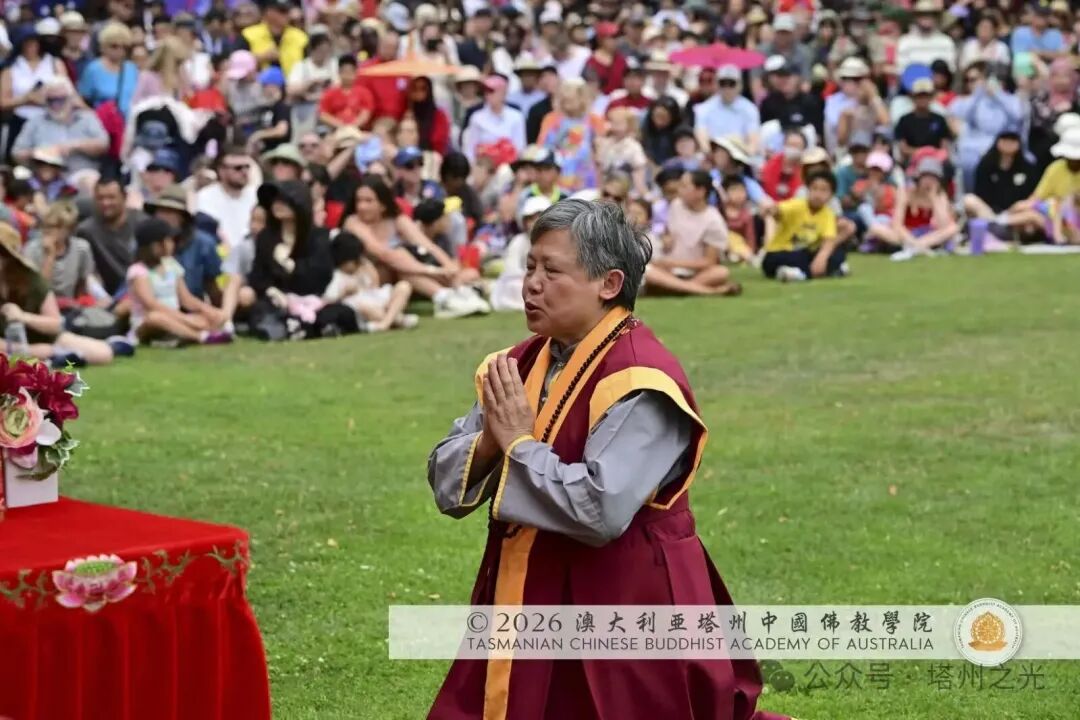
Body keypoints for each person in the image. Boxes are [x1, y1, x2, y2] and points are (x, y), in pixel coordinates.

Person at [426, 198, 792, 720]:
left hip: (625, 600)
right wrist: (490, 441)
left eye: (552, 271)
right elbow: (446, 476)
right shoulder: (518, 364)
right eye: (530, 266)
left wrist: (518, 445)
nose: (531, 284)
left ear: (609, 283)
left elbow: (599, 507)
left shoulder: (642, 379)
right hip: (525, 588)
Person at [340, 176, 488, 319]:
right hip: (372, 278)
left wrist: (449, 268)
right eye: (359, 201)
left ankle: (452, 294)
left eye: (368, 201)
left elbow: (427, 245)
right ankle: (449, 296)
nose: (361, 206)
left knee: (468, 273)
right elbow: (383, 254)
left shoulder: (398, 220)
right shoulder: (353, 222)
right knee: (399, 256)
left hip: (407, 276)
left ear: (383, 205)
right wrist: (432, 270)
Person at [0, 222, 113, 366]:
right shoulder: (34, 249)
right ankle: (49, 357)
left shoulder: (32, 280)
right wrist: (32, 351)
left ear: (9, 258)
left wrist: (23, 317)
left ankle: (54, 356)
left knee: (103, 354)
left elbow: (55, 324)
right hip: (12, 346)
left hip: (44, 338)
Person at [125, 217, 231, 346]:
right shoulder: (138, 271)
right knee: (156, 318)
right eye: (169, 240)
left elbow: (186, 299)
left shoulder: (171, 265)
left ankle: (176, 336)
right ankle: (200, 336)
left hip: (176, 317)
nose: (172, 244)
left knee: (209, 318)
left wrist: (208, 310)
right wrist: (183, 318)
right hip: (149, 320)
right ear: (156, 245)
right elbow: (151, 305)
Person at [646, 170, 741, 296]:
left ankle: (673, 287)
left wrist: (672, 263)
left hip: (694, 273)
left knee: (721, 272)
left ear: (700, 191)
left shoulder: (714, 221)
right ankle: (707, 291)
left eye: (684, 186)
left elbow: (709, 262)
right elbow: (668, 232)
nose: (679, 190)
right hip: (668, 270)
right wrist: (666, 239)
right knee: (646, 269)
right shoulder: (676, 205)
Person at [1, 19, 69, 160]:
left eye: (34, 42)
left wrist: (47, 99)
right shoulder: (12, 68)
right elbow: (2, 102)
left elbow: (68, 93)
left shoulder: (54, 63)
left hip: (50, 120)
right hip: (20, 121)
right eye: (26, 43)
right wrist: (26, 99)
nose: (31, 46)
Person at [323, 231, 417, 332]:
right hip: (361, 306)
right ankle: (397, 319)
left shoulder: (362, 268)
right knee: (368, 309)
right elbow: (327, 300)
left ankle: (386, 323)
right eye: (354, 261)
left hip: (377, 299)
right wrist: (344, 293)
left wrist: (367, 267)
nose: (357, 263)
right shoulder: (337, 276)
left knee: (404, 286)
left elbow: (375, 284)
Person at [761, 171, 847, 282]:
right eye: (814, 189)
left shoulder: (828, 214)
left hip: (807, 253)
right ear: (808, 190)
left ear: (831, 195)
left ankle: (796, 273)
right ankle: (825, 270)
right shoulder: (797, 205)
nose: (818, 194)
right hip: (782, 251)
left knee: (838, 253)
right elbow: (779, 210)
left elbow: (828, 241)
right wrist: (770, 209)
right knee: (788, 258)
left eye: (823, 190)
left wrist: (821, 258)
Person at [12, 78, 107, 177]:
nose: (55, 104)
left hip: (79, 173)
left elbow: (103, 145)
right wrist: (39, 153)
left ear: (71, 98)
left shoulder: (87, 118)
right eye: (51, 100)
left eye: (60, 100)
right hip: (44, 175)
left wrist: (75, 145)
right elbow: (16, 153)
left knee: (89, 178)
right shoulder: (35, 121)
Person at [868, 158, 959, 261]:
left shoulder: (940, 195)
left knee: (953, 228)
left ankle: (916, 248)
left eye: (933, 178)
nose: (929, 181)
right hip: (904, 233)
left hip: (927, 235)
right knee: (876, 228)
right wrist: (911, 240)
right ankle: (916, 247)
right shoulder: (906, 192)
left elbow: (944, 225)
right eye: (926, 176)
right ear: (919, 178)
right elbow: (897, 224)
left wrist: (934, 199)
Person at [144, 184, 223, 304]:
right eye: (161, 211)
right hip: (151, 305)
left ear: (182, 217)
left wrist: (219, 312)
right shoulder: (144, 241)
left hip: (191, 306)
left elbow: (212, 287)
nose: (164, 217)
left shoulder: (203, 244)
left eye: (170, 212)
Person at [76, 175, 144, 297]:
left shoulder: (143, 224)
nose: (105, 203)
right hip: (106, 295)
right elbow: (87, 271)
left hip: (142, 290)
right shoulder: (85, 231)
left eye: (111, 197)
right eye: (100, 198)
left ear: (124, 197)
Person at [538, 79, 606, 193]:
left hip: (587, 177)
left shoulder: (594, 120)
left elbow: (601, 151)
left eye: (571, 99)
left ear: (583, 98)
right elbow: (542, 148)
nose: (566, 102)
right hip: (557, 177)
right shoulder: (550, 119)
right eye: (564, 99)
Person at [196, 145, 258, 250]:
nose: (244, 172)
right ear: (221, 171)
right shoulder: (206, 196)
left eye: (247, 167)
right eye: (238, 168)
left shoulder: (256, 195)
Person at [694, 64, 760, 158]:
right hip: (713, 156)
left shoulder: (750, 109)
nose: (727, 88)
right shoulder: (704, 108)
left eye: (731, 83)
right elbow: (702, 137)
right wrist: (712, 156)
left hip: (741, 155)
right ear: (716, 84)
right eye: (723, 83)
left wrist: (745, 157)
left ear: (740, 85)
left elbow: (753, 141)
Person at [76, 21, 137, 116]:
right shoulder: (93, 69)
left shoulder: (132, 68)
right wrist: (94, 117)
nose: (120, 50)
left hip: (129, 121)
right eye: (114, 46)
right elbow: (81, 99)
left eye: (124, 47)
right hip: (102, 121)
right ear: (102, 46)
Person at [286, 28, 338, 139]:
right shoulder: (301, 66)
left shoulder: (334, 65)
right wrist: (311, 83)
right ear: (312, 50)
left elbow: (339, 87)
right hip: (305, 110)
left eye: (326, 51)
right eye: (320, 51)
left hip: (328, 110)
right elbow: (291, 90)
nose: (324, 55)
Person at [462, 75, 526, 164]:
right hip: (482, 166)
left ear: (503, 93)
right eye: (486, 91)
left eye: (492, 91)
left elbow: (519, 148)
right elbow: (470, 149)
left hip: (508, 166)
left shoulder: (516, 117)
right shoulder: (477, 117)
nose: (487, 95)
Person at [894, 78, 955, 166]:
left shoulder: (939, 119)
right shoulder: (904, 120)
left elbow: (944, 147)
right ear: (912, 97)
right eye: (919, 96)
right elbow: (903, 148)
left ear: (931, 97)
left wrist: (932, 155)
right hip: (912, 162)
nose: (923, 99)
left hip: (936, 161)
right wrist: (923, 153)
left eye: (926, 95)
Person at [242, 0, 309, 76]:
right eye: (282, 11)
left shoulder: (300, 37)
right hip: (258, 81)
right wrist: (261, 58)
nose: (286, 15)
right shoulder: (249, 34)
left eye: (288, 11)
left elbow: (309, 64)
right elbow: (236, 64)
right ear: (268, 12)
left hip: (293, 82)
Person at [896, 0, 957, 73]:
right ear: (916, 18)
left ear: (936, 17)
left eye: (930, 15)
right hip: (913, 78)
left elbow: (950, 68)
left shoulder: (946, 41)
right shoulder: (905, 41)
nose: (926, 18)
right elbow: (901, 69)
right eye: (922, 15)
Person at [318, 54, 376, 131]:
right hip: (335, 130)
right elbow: (323, 114)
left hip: (359, 131)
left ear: (356, 73)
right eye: (344, 72)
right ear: (339, 72)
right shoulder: (329, 93)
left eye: (350, 72)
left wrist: (352, 126)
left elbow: (366, 113)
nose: (347, 75)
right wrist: (340, 125)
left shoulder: (364, 93)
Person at [130, 35, 189, 105]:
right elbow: (135, 103)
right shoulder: (147, 77)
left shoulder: (181, 77)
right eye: (177, 62)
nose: (179, 66)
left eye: (180, 62)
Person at [406, 76, 451, 156]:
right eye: (415, 89)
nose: (419, 93)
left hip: (431, 156)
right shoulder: (408, 114)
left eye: (423, 89)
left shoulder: (439, 115)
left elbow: (439, 141)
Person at [641, 97, 683, 166]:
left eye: (663, 117)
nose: (659, 121)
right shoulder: (646, 128)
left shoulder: (680, 132)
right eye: (657, 116)